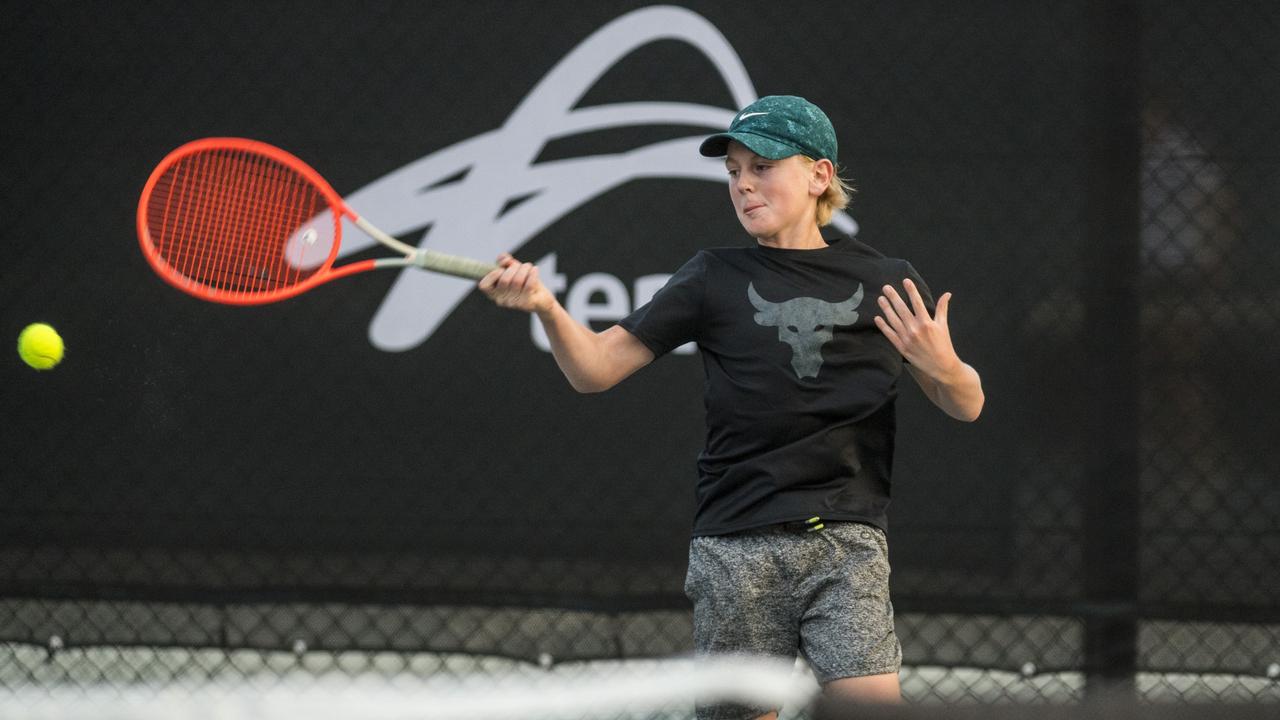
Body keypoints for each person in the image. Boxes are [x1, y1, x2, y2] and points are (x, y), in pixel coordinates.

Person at [479, 95, 984, 720]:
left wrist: (946, 369)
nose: (743, 184)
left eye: (762, 167)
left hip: (849, 542)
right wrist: (547, 309)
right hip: (737, 545)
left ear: (819, 175)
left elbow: (966, 405)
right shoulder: (711, 276)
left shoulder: (887, 282)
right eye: (734, 171)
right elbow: (595, 370)